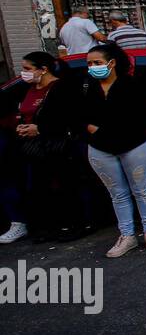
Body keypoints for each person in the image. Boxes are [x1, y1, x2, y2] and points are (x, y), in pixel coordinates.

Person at [81, 42, 146, 258]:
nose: (92, 67)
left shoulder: (133, 85)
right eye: (89, 63)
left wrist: (106, 129)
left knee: (142, 189)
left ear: (112, 63)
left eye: (97, 63)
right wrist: (94, 130)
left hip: (134, 145)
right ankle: (126, 235)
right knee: (117, 193)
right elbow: (77, 117)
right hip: (100, 149)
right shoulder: (86, 87)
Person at [0, 52, 87, 244]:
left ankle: (74, 225)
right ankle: (47, 227)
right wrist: (21, 126)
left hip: (56, 145)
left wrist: (39, 129)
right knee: (39, 187)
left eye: (28, 69)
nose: (24, 73)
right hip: (32, 147)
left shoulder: (61, 88)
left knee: (65, 185)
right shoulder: (27, 88)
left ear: (43, 69)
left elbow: (70, 118)